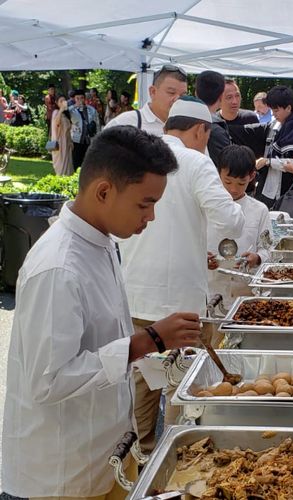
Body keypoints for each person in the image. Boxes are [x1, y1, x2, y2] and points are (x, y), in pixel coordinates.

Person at [1, 126, 201, 498]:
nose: (152, 217)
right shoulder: (58, 267)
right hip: (67, 469)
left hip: (105, 446)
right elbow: (49, 380)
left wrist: (150, 348)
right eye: (145, 204)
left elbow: (104, 338)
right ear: (104, 192)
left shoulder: (101, 241)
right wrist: (148, 341)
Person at [118, 97, 245, 453]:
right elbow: (231, 221)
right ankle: (174, 455)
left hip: (135, 292)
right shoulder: (195, 162)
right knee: (182, 380)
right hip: (181, 301)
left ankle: (142, 454)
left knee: (142, 376)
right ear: (200, 130)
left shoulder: (137, 160)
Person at [207, 144, 272, 303]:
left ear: (251, 176)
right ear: (218, 173)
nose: (234, 189)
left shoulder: (259, 210)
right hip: (210, 289)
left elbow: (269, 249)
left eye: (241, 183)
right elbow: (190, 245)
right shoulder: (205, 207)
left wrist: (257, 258)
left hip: (245, 292)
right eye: (227, 182)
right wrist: (203, 258)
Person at [233, 85, 293, 207]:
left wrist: (268, 162)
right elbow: (248, 131)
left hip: (292, 193)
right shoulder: (274, 126)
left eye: (276, 110)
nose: (273, 114)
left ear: (288, 108)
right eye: (272, 110)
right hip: (269, 191)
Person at [105, 64, 188, 136]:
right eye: (171, 92)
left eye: (183, 95)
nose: (178, 99)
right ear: (153, 92)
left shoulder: (187, 127)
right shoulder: (126, 122)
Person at [195, 70, 234, 166]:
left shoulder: (180, 122)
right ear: (221, 96)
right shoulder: (215, 130)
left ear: (196, 93)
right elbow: (227, 168)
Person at [70, 89, 101, 168]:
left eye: (82, 98)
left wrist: (97, 139)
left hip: (89, 141)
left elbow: (97, 125)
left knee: (88, 164)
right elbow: (64, 115)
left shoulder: (92, 110)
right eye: (77, 98)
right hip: (76, 141)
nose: (80, 100)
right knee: (76, 164)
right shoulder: (71, 110)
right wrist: (74, 106)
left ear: (84, 99)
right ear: (74, 99)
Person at [51, 94, 74, 176]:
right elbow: (56, 123)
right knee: (61, 167)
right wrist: (61, 110)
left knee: (68, 166)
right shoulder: (56, 112)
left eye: (64, 101)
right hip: (59, 143)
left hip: (67, 143)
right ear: (57, 103)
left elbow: (69, 130)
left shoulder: (67, 114)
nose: (63, 102)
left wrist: (71, 141)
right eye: (61, 101)